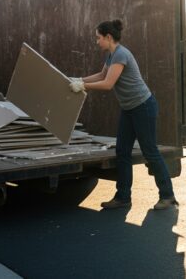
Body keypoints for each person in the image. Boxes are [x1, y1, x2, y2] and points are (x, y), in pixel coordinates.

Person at [69, 19, 178, 210]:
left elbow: (108, 84)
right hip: (129, 109)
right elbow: (102, 75)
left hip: (143, 107)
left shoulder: (121, 55)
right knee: (122, 152)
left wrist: (83, 86)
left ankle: (168, 196)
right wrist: (79, 79)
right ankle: (123, 197)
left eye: (98, 38)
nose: (97, 42)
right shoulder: (112, 55)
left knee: (150, 151)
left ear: (108, 37)